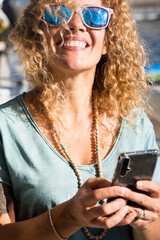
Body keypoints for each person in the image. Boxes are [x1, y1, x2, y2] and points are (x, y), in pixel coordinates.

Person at [0, 0, 160, 239]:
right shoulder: (5, 127)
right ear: (39, 32)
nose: (75, 25)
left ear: (108, 40)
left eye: (94, 15)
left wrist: (147, 221)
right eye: (58, 12)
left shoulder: (136, 124)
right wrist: (69, 217)